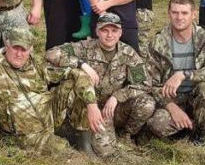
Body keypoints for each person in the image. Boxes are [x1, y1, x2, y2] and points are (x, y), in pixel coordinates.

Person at [0, 27, 95, 154]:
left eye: (24, 50)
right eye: (15, 48)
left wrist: (92, 104)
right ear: (7, 45)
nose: (19, 54)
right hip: (26, 134)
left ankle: (84, 145)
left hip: (48, 117)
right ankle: (65, 140)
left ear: (30, 50)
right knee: (63, 150)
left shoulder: (35, 62)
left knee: (77, 80)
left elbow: (73, 73)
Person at [44, 12, 155, 157]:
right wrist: (81, 64)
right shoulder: (84, 47)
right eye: (105, 30)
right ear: (97, 31)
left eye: (114, 31)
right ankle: (79, 132)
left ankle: (127, 134)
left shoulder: (128, 53)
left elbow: (145, 84)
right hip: (90, 108)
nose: (109, 35)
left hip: (114, 108)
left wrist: (117, 97)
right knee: (105, 152)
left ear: (120, 33)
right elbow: (51, 53)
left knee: (147, 103)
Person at [144, 0, 205, 143]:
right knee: (156, 124)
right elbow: (151, 84)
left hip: (198, 98)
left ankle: (200, 137)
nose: (179, 17)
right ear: (168, 14)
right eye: (175, 12)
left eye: (184, 13)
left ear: (193, 15)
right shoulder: (158, 42)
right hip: (172, 98)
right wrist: (171, 107)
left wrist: (185, 74)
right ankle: (192, 127)